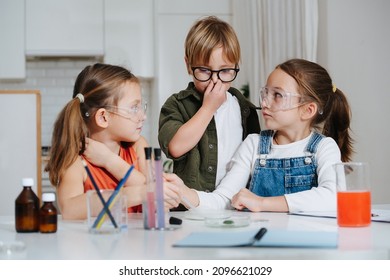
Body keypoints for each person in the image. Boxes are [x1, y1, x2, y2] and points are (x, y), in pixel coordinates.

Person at [167, 58, 353, 213]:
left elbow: (333, 197)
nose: (264, 102)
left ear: (308, 110)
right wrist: (183, 191)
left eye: (278, 95)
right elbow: (223, 200)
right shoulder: (253, 145)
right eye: (266, 93)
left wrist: (262, 203)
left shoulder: (324, 148)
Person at [45, 63, 179, 219]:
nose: (143, 116)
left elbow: (156, 193)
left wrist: (110, 161)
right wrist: (142, 192)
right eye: (134, 108)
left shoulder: (138, 146)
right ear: (103, 117)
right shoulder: (77, 160)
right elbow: (69, 209)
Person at [158, 16, 260, 200]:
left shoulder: (245, 109)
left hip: (235, 207)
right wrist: (208, 108)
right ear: (188, 65)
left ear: (236, 66)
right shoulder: (176, 104)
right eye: (205, 70)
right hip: (189, 207)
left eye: (225, 71)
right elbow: (175, 147)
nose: (215, 80)